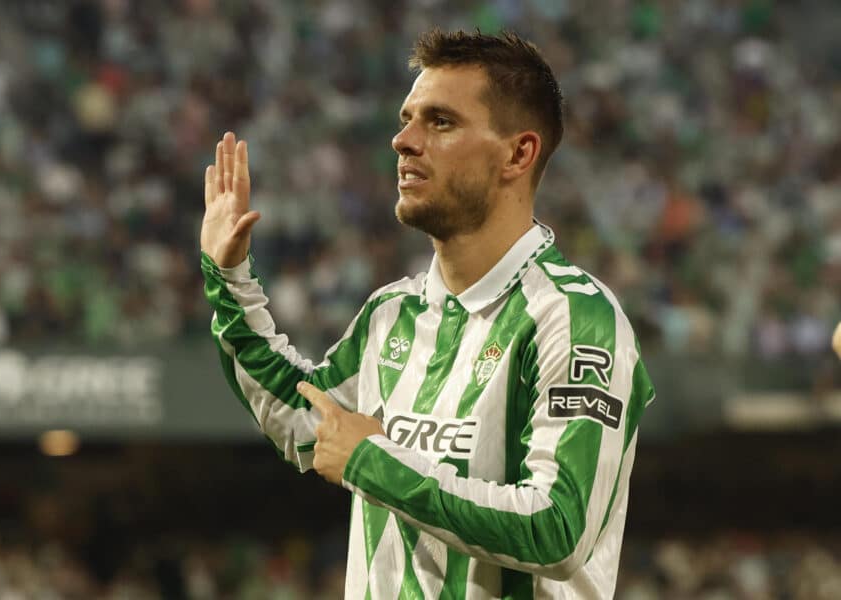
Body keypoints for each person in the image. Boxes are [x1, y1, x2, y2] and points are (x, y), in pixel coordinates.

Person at [200, 28, 654, 600]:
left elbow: (557, 528)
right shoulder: (393, 313)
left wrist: (374, 462)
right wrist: (230, 279)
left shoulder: (573, 317)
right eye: (406, 118)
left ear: (518, 153)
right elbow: (304, 420)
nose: (403, 140)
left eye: (440, 122)